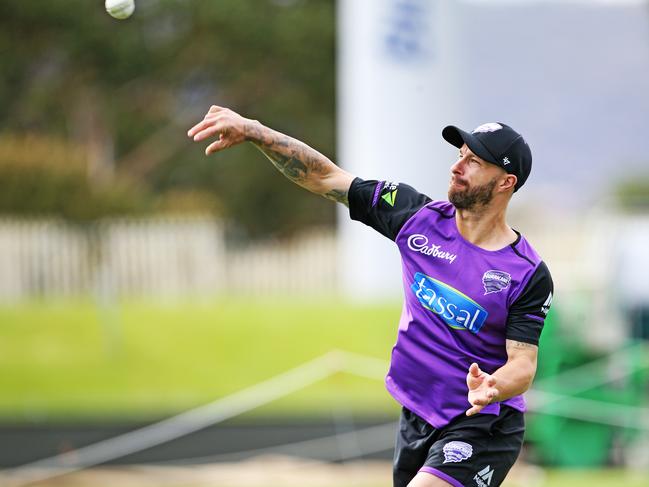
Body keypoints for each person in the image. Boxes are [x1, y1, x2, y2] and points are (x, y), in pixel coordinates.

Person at [187, 106, 554, 487]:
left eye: (474, 161)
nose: (457, 167)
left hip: (483, 425)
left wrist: (493, 386)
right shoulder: (416, 217)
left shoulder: (526, 273)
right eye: (459, 155)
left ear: (505, 182)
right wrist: (256, 131)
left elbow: (523, 364)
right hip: (416, 414)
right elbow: (325, 176)